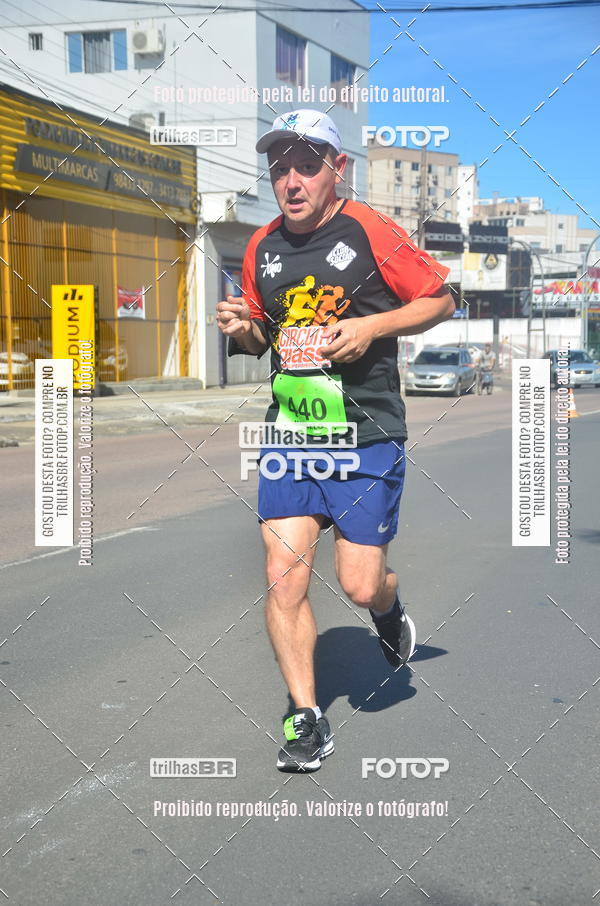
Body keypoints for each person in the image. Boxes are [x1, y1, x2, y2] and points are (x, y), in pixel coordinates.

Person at [216, 110, 454, 773]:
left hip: (365, 433)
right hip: (293, 433)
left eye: (306, 166)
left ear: (337, 169)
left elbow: (441, 299)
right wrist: (240, 326)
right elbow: (259, 337)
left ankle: (387, 607)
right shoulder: (261, 245)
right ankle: (305, 715)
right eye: (280, 169)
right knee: (282, 575)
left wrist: (372, 327)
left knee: (359, 583)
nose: (291, 181)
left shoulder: (368, 229)